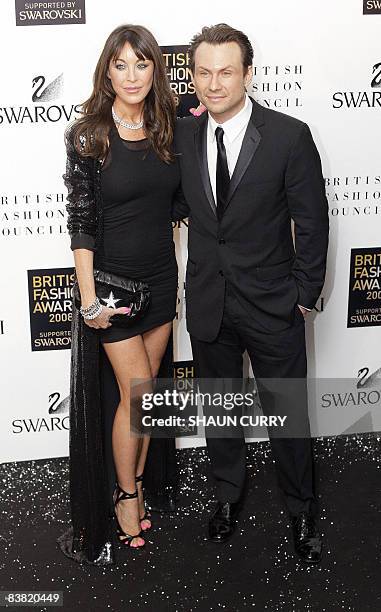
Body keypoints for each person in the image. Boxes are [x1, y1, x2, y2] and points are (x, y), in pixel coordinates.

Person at [173, 24, 329, 564]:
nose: (213, 84)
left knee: (288, 414)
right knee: (220, 411)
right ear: (192, 75)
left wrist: (304, 295)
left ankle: (302, 507)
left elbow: (312, 224)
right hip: (210, 303)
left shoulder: (289, 135)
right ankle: (226, 496)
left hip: (273, 304)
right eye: (203, 72)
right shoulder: (183, 137)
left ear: (247, 74)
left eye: (226, 71)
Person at [57, 24, 180, 565]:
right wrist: (88, 299)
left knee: (147, 399)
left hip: (160, 280)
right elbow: (81, 222)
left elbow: (180, 204)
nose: (132, 75)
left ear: (155, 69)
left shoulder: (168, 129)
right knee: (134, 396)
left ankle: (131, 483)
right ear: (107, 71)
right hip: (112, 290)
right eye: (121, 64)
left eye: (142, 64)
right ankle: (126, 494)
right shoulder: (88, 134)